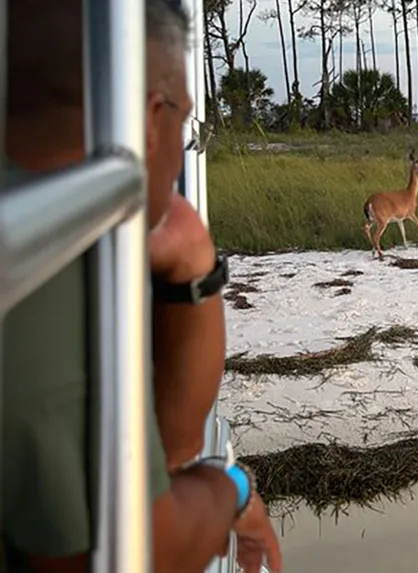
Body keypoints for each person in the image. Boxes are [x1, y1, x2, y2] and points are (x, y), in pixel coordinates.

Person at [1, 1, 283, 572]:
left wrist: (194, 261)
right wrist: (233, 488)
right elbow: (147, 550)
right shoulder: (46, 271)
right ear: (151, 121)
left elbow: (168, 447)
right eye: (186, 122)